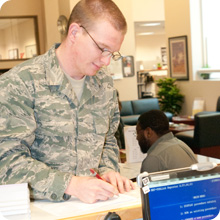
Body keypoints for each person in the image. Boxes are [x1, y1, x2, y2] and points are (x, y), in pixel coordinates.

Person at [0, 0, 135, 203]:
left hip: (94, 207)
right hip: (38, 209)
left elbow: (108, 139)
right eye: (102, 48)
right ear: (74, 32)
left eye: (112, 53)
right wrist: (72, 185)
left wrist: (107, 171)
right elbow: (7, 162)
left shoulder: (104, 83)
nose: (106, 61)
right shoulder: (19, 83)